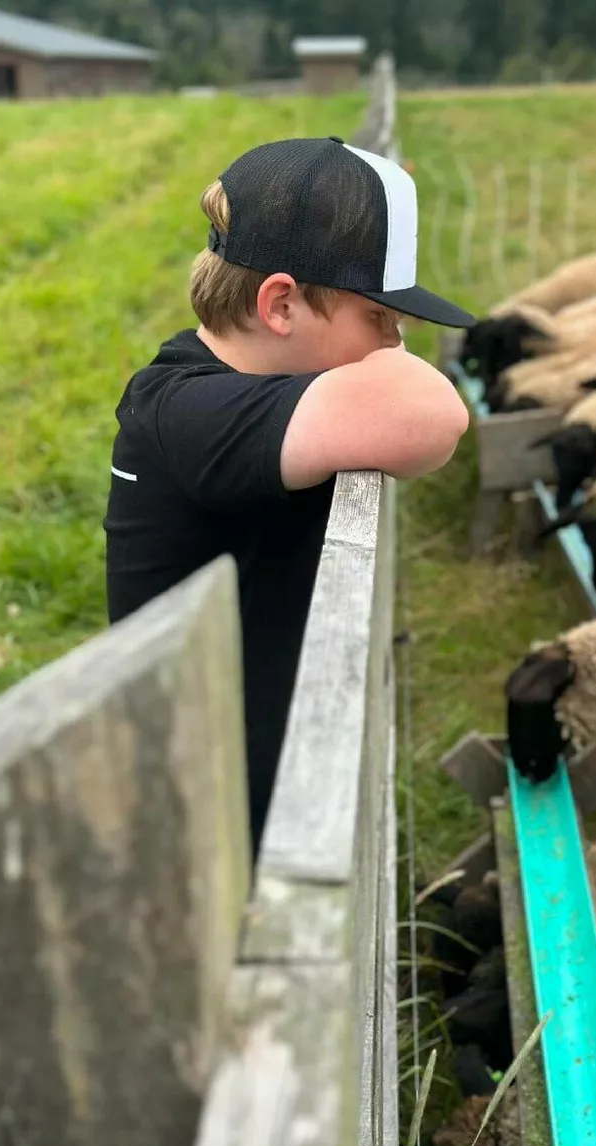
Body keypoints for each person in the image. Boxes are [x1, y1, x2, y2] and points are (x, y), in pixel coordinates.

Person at [103, 136, 473, 855]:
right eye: (381, 318)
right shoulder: (184, 411)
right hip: (198, 820)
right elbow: (432, 416)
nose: (394, 344)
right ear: (280, 305)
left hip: (257, 782)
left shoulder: (239, 393)